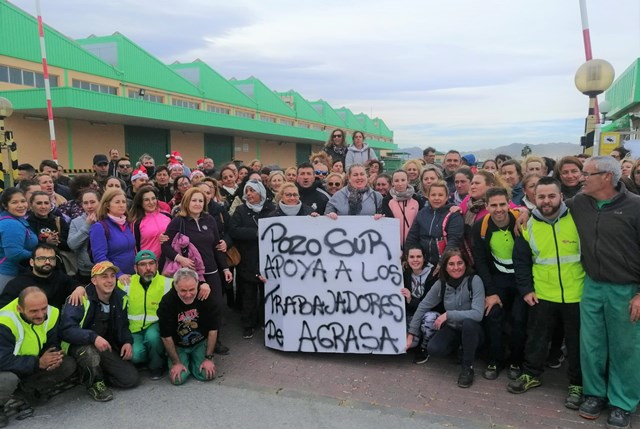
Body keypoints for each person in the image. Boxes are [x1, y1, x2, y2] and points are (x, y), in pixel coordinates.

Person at [567, 156, 640, 429]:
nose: (581, 178)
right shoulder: (579, 203)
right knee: (592, 345)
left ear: (607, 177)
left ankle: (622, 403)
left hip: (627, 289)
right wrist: (525, 213)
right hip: (592, 285)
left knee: (625, 348)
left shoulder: (635, 207)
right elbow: (548, 208)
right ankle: (594, 394)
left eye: (587, 174)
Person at [509, 177, 584, 410]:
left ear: (561, 196)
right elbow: (521, 262)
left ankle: (577, 384)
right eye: (541, 196)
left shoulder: (578, 218)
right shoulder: (527, 225)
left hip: (578, 294)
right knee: (537, 338)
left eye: (552, 195)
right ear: (534, 198)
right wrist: (526, 290)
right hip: (542, 294)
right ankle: (532, 374)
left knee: (577, 343)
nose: (546, 201)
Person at [162, 187, 232, 354]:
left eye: (201, 200)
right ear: (187, 201)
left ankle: (216, 341)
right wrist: (181, 259)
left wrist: (225, 268)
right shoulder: (178, 221)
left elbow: (216, 247)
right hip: (190, 273)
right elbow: (165, 245)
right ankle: (196, 340)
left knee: (215, 306)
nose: (197, 203)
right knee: (194, 307)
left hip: (211, 271)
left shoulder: (210, 220)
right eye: (194, 200)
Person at [60, 261, 140, 402]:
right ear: (94, 280)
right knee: (89, 352)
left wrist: (127, 341)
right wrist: (93, 337)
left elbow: (123, 325)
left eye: (112, 276)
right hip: (79, 345)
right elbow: (66, 330)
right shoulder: (80, 298)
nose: (109, 280)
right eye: (104, 276)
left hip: (103, 346)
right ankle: (95, 384)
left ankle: (91, 374)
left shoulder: (120, 297)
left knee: (131, 379)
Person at [406, 249, 485, 388]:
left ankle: (467, 368)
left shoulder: (474, 280)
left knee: (468, 324)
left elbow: (478, 314)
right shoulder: (441, 284)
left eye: (460, 263)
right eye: (451, 264)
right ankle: (460, 349)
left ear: (465, 264)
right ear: (445, 267)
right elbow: (423, 306)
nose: (456, 268)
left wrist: (449, 314)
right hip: (453, 328)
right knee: (434, 348)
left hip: (473, 330)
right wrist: (411, 334)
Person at [471, 187, 526, 382]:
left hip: (522, 279)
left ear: (509, 204)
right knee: (493, 316)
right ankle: (494, 359)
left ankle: (516, 361)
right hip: (498, 278)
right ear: (486, 206)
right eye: (493, 205)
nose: (499, 209)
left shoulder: (521, 219)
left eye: (502, 204)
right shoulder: (480, 227)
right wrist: (491, 292)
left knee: (520, 320)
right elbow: (480, 261)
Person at [0, 287, 77, 425]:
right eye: (34, 311)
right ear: (19, 309)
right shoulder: (4, 322)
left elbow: (52, 341)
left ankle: (24, 391)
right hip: (7, 367)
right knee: (7, 379)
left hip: (29, 363)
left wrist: (54, 356)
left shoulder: (52, 313)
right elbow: (2, 360)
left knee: (67, 364)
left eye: (43, 308)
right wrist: (38, 363)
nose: (41, 315)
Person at [121, 250, 192, 380]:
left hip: (157, 326)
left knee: (153, 338)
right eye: (142, 264)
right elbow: (102, 287)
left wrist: (204, 286)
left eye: (151, 263)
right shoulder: (126, 283)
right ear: (135, 268)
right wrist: (80, 289)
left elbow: (189, 286)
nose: (148, 268)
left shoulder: (167, 283)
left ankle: (156, 367)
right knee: (136, 356)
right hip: (134, 330)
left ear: (157, 265)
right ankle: (150, 357)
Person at [229, 180, 275, 339]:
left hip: (267, 258)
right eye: (247, 191)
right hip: (248, 257)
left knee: (265, 293)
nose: (249, 194)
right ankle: (248, 325)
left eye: (252, 191)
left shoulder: (271, 209)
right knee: (248, 294)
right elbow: (234, 230)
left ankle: (265, 321)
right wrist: (256, 233)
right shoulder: (240, 210)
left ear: (260, 192)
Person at [158, 268, 220, 385]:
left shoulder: (205, 296)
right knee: (178, 379)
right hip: (179, 345)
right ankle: (182, 360)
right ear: (175, 287)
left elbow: (213, 329)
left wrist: (208, 358)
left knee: (206, 374)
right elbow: (166, 336)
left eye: (192, 289)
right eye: (183, 290)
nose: (188, 295)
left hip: (200, 342)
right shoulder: (167, 302)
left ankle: (195, 359)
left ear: (198, 284)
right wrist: (176, 362)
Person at [0, 244, 84, 310]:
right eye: (42, 258)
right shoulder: (17, 284)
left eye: (51, 258)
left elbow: (76, 284)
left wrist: (79, 288)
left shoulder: (60, 277)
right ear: (32, 262)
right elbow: (4, 309)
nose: (47, 262)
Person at [405, 181, 464, 268]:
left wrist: (442, 263)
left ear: (447, 197)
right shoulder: (422, 213)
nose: (436, 198)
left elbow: (454, 241)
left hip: (446, 263)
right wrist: (410, 257)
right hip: (423, 263)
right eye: (433, 195)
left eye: (440, 195)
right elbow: (412, 237)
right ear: (427, 196)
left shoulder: (453, 215)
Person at [401, 245, 439, 364]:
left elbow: (430, 305)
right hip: (410, 314)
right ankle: (415, 342)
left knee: (430, 318)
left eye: (418, 256)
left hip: (428, 314)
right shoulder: (405, 273)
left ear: (424, 258)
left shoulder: (434, 274)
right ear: (407, 259)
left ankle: (424, 348)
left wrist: (411, 300)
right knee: (407, 343)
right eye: (412, 257)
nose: (415, 260)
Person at [89, 188, 135, 283]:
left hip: (132, 276)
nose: (122, 205)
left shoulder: (127, 224)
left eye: (123, 202)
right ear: (107, 205)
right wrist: (118, 274)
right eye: (117, 202)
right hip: (114, 279)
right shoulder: (99, 227)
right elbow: (100, 257)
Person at [0, 189, 38, 293]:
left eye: (23, 201)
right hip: (7, 275)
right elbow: (14, 253)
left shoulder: (15, 219)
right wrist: (38, 255)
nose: (21, 205)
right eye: (14, 202)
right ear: (5, 205)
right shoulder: (11, 224)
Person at [381, 169, 425, 248]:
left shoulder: (417, 199)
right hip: (394, 243)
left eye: (403, 180)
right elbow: (387, 221)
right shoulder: (387, 200)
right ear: (392, 183)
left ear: (408, 181)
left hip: (414, 243)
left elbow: (421, 222)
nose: (400, 183)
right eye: (397, 181)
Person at [68, 189, 101, 285]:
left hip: (106, 268)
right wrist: (87, 226)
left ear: (99, 202)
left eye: (93, 202)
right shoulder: (76, 222)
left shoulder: (106, 219)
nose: (89, 206)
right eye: (85, 203)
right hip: (86, 272)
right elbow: (72, 244)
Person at [128, 186, 170, 259]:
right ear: (140, 202)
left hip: (168, 261)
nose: (151, 202)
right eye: (146, 200)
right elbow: (135, 248)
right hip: (149, 263)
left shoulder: (167, 215)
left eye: (153, 198)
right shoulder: (136, 222)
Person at [27, 191, 71, 256]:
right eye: (39, 203)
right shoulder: (27, 223)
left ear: (51, 205)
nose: (43, 206)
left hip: (59, 261)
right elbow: (28, 246)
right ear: (31, 205)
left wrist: (57, 240)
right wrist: (46, 242)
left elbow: (70, 246)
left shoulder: (59, 221)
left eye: (46, 203)